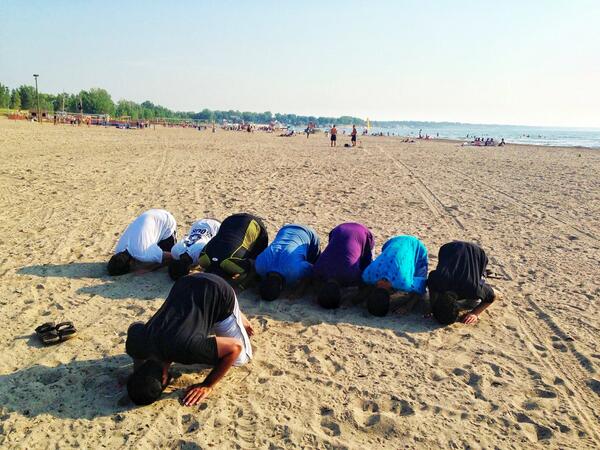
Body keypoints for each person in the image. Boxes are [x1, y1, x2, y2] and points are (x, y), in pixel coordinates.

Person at [125, 273, 254, 406]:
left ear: (164, 379)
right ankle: (224, 315)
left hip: (219, 290)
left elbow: (235, 347)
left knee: (240, 359)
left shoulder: (187, 350)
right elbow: (134, 326)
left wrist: (208, 384)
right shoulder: (136, 344)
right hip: (185, 282)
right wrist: (138, 366)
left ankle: (235, 312)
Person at [428, 241, 498, 325]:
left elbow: (492, 297)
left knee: (474, 302)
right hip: (448, 248)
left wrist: (475, 313)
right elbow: (432, 275)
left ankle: (483, 273)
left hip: (475, 251)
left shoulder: (473, 289)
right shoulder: (436, 281)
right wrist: (432, 307)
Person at [360, 235, 428, 316]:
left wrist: (408, 307)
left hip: (417, 246)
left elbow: (422, 287)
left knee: (418, 279)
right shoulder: (367, 276)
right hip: (391, 242)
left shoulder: (404, 284)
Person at [313, 223, 374, 309]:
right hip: (337, 230)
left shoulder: (351, 276)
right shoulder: (318, 270)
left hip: (365, 233)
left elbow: (366, 281)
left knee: (366, 264)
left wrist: (354, 300)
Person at [198, 213, 268, 284]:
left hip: (254, 224)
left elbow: (253, 267)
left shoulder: (232, 265)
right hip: (230, 220)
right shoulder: (203, 260)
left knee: (256, 260)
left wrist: (242, 285)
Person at [255, 224, 321, 301]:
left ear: (281, 287)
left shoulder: (293, 272)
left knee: (315, 262)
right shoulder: (259, 266)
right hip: (285, 229)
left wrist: (300, 291)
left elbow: (312, 269)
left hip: (309, 234)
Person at [108, 209, 177, 276]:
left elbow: (173, 256)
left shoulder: (144, 254)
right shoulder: (118, 249)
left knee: (173, 263)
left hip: (166, 220)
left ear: (131, 264)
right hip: (150, 214)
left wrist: (149, 269)